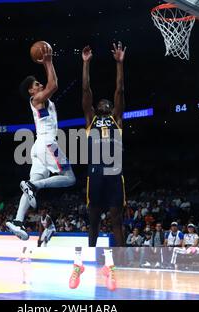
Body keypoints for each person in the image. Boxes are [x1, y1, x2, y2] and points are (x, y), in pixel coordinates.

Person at [69, 42, 127, 291]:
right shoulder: (90, 119)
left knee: (116, 219)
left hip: (114, 173)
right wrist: (85, 63)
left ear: (112, 109)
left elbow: (120, 90)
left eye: (108, 103)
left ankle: (122, 264)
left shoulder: (117, 118)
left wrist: (119, 63)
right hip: (95, 173)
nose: (104, 103)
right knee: (93, 220)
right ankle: (91, 261)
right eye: (100, 103)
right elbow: (85, 89)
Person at [7, 44, 76, 240]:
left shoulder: (40, 100)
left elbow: (51, 86)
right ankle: (34, 186)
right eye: (36, 84)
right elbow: (53, 85)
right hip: (47, 144)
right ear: (31, 91)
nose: (39, 85)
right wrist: (48, 62)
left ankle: (18, 221)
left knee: (32, 183)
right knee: (69, 178)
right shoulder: (37, 98)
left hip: (38, 146)